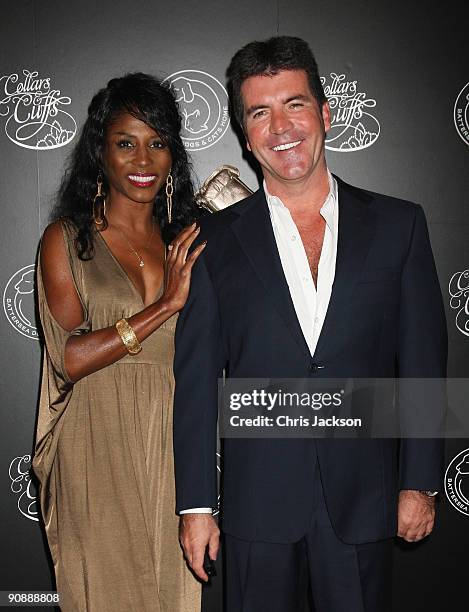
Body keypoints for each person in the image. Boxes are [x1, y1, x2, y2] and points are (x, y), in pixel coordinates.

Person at [173, 37, 447, 611]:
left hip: (364, 500)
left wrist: (419, 481)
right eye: (259, 113)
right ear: (245, 134)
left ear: (325, 113)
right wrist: (196, 506)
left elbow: (423, 361)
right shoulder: (213, 243)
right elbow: (196, 381)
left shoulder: (400, 226)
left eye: (294, 104)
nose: (281, 127)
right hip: (255, 504)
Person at [33, 73, 205, 612]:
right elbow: (68, 358)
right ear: (100, 152)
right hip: (96, 442)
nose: (143, 159)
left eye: (158, 143)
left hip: (174, 445)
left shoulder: (190, 240)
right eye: (126, 142)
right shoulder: (67, 239)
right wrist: (163, 308)